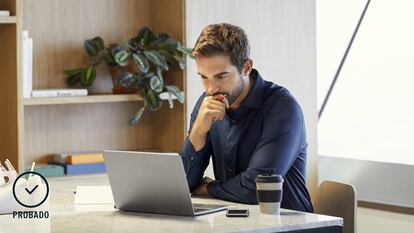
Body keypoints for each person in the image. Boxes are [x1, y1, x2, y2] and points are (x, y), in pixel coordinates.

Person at [180, 23, 313, 212]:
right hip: (235, 221)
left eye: (221, 76)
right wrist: (198, 132)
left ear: (246, 67)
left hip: (289, 225)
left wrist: (208, 188)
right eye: (204, 77)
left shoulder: (283, 109)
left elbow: (256, 188)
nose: (211, 88)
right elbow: (183, 183)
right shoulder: (207, 105)